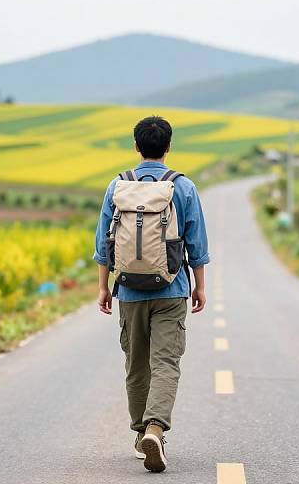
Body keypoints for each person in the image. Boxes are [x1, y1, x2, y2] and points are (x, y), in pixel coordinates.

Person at [93, 115, 209, 472]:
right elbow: (196, 242)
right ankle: (156, 428)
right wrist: (199, 285)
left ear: (136, 146)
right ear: (168, 147)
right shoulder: (183, 187)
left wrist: (103, 286)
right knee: (166, 363)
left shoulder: (118, 186)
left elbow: (104, 243)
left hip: (128, 290)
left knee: (136, 364)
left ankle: (142, 429)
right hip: (172, 288)